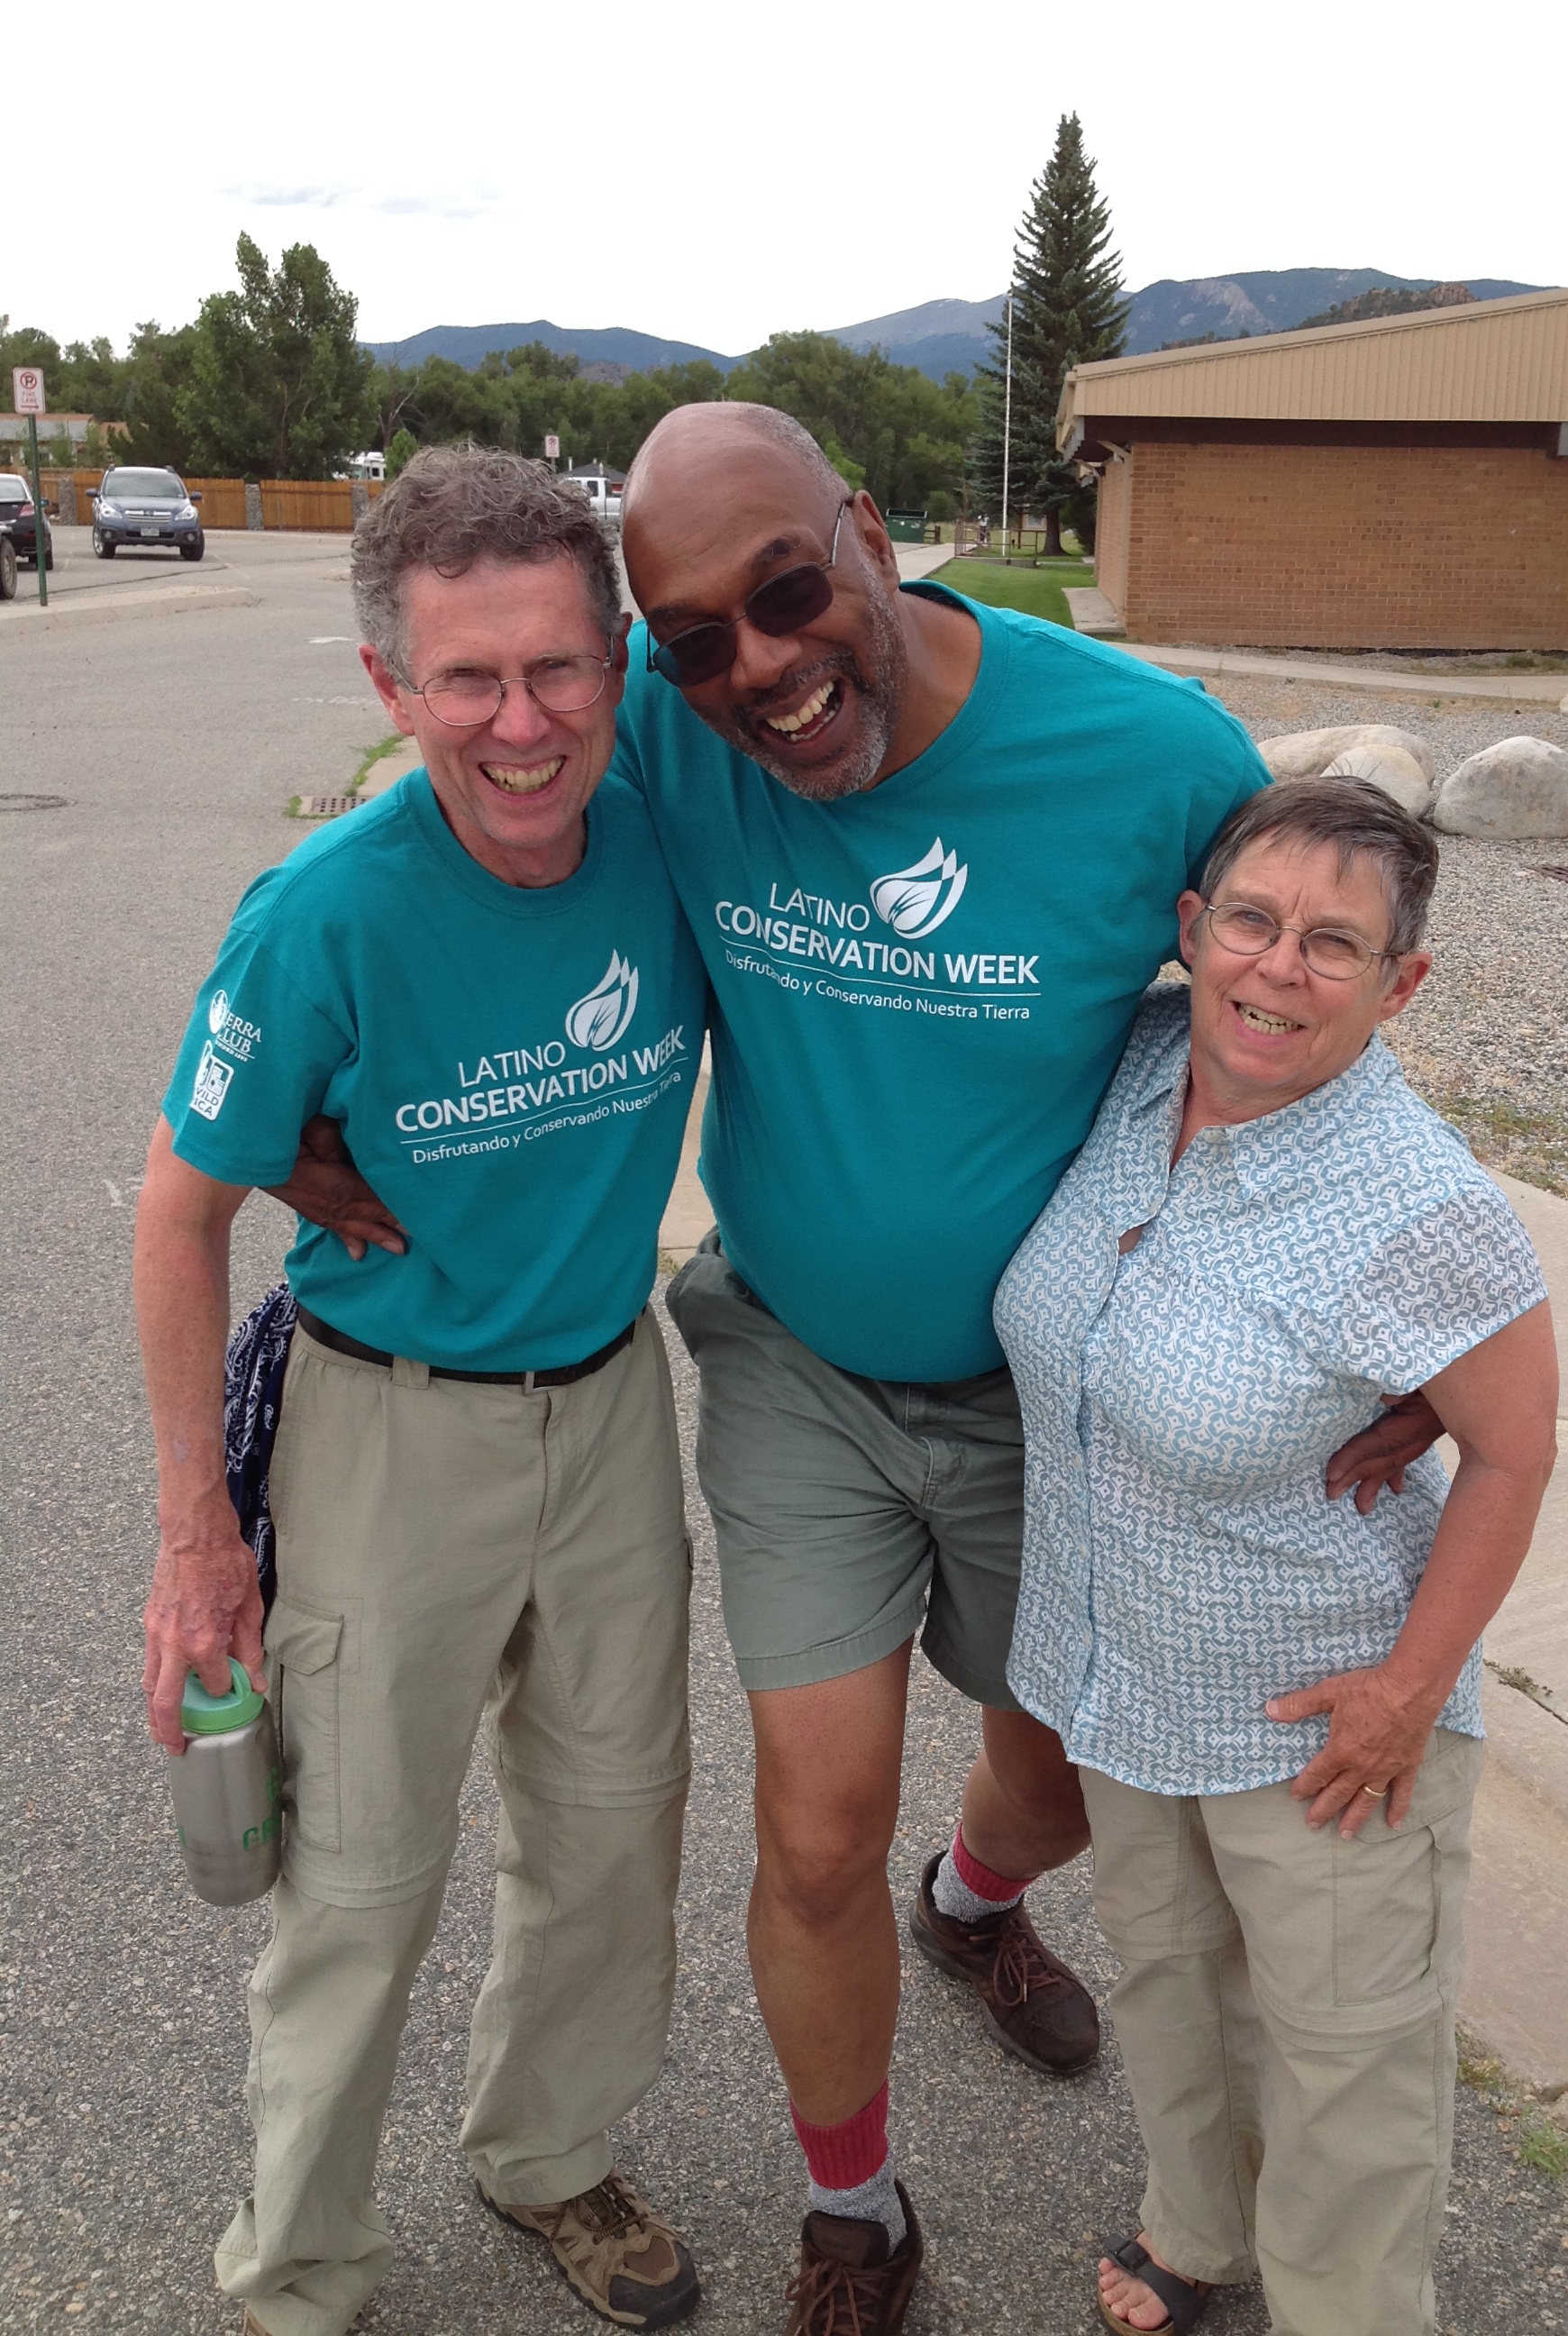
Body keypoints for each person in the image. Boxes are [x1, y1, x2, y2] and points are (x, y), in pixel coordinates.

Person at [278, 406, 1448, 2336]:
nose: (757, 668)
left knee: (1062, 1783)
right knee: (810, 1827)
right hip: (797, 1369)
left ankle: (978, 1900)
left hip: (1055, 1398)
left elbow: (1295, 1003)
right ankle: (855, 2206)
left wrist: (1411, 1314)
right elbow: (460, 809)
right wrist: (307, 1106)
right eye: (692, 641)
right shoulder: (664, 723)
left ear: (872, 538)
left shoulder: (1145, 757)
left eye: (788, 594)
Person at [136, 448, 707, 2336]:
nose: (519, 725)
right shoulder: (323, 912)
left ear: (614, 661)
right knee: (360, 1881)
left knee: (610, 1832)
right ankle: (298, 2269)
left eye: (556, 669)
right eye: (465, 679)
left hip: (612, 1406)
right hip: (386, 1425)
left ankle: (545, 2154)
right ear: (390, 685)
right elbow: (174, 1213)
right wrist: (196, 1545)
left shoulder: (666, 822)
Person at [993, 780, 1559, 2336]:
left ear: (1403, 985)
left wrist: (1407, 1690)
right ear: (1192, 933)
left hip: (1322, 1714)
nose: (1276, 968)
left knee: (1346, 2064)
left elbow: (1513, 1450)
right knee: (1173, 1986)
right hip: (1125, 1680)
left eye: (1334, 944)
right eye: (1251, 921)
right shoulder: (1137, 1065)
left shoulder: (1423, 1204)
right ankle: (1201, 2233)